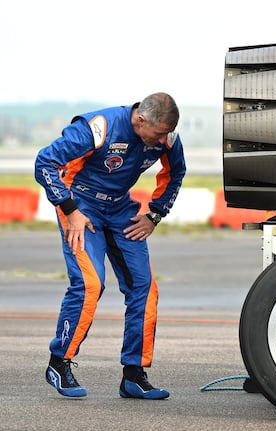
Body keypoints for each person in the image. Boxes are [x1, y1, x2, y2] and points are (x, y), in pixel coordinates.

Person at [34, 92, 186, 399]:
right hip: (81, 207)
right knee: (91, 284)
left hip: (120, 211)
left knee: (144, 286)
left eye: (165, 135)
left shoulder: (167, 138)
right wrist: (70, 210)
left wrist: (155, 215)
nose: (161, 142)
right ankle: (58, 362)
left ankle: (133, 375)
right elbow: (45, 162)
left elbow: (176, 172)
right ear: (141, 120)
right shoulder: (99, 127)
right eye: (157, 134)